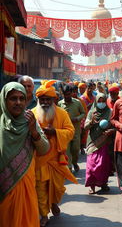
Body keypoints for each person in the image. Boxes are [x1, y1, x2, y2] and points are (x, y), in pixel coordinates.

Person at [0, 82, 49, 227]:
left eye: (22, 98)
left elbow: (44, 149)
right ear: (4, 100)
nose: (18, 102)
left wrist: (34, 131)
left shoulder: (30, 120)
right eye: (13, 98)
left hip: (25, 183)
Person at [32, 80, 78, 226]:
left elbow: (71, 132)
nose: (45, 102)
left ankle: (53, 203)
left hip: (57, 159)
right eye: (42, 99)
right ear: (38, 99)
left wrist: (55, 132)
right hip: (39, 159)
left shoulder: (62, 113)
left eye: (48, 99)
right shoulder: (32, 114)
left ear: (54, 99)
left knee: (58, 188)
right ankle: (44, 214)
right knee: (40, 189)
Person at [84, 93, 114, 194]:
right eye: (99, 101)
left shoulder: (110, 112)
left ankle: (103, 183)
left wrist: (110, 130)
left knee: (104, 164)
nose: (101, 103)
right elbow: (85, 127)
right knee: (91, 165)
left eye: (103, 101)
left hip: (105, 141)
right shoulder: (92, 112)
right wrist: (92, 121)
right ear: (96, 101)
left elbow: (114, 124)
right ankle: (91, 185)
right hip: (92, 142)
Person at [58, 84, 86, 172]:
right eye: (65, 94)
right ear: (62, 94)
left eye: (68, 94)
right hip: (65, 132)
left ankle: (74, 162)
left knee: (75, 150)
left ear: (71, 93)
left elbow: (83, 113)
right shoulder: (60, 104)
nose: (67, 96)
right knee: (67, 151)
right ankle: (69, 168)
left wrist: (77, 119)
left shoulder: (77, 102)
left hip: (76, 132)